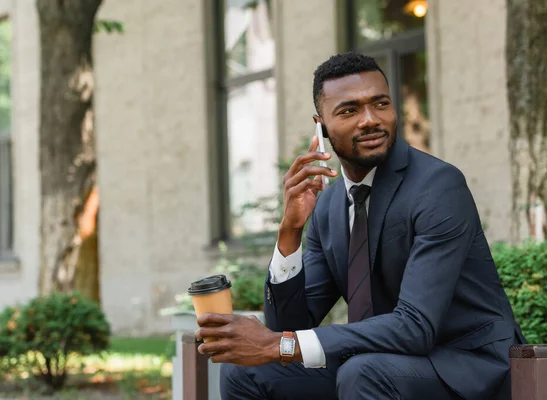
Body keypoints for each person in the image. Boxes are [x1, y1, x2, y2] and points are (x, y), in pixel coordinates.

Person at [195, 52, 526, 400]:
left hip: (467, 367)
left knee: (362, 372)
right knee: (244, 372)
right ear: (320, 125)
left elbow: (416, 327)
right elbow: (290, 327)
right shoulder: (328, 206)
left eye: (380, 104)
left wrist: (281, 344)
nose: (370, 120)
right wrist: (290, 231)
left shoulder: (437, 186)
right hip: (385, 364)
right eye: (349, 110)